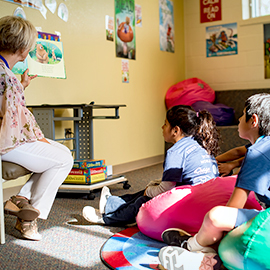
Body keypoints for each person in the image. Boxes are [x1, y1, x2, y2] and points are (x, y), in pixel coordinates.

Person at [159, 93, 270, 270]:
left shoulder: (257, 153)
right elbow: (237, 154)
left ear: (253, 121)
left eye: (242, 115)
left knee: (216, 217)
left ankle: (191, 246)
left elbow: (233, 207)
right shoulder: (264, 146)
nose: (240, 119)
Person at [82, 105, 220, 226]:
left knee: (145, 198)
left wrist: (148, 191)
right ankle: (112, 203)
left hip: (192, 206)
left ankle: (108, 218)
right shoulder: (199, 143)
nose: (162, 127)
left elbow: (164, 191)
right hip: (208, 202)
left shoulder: (176, 152)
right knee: (151, 187)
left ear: (175, 130)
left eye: (165, 124)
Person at [0, 16, 73, 241]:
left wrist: (21, 86)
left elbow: (6, 106)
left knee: (61, 153)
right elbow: (16, 120)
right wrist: (37, 138)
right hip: (5, 142)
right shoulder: (7, 78)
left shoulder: (6, 75)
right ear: (23, 49)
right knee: (63, 159)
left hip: (6, 136)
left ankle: (20, 201)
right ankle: (29, 217)